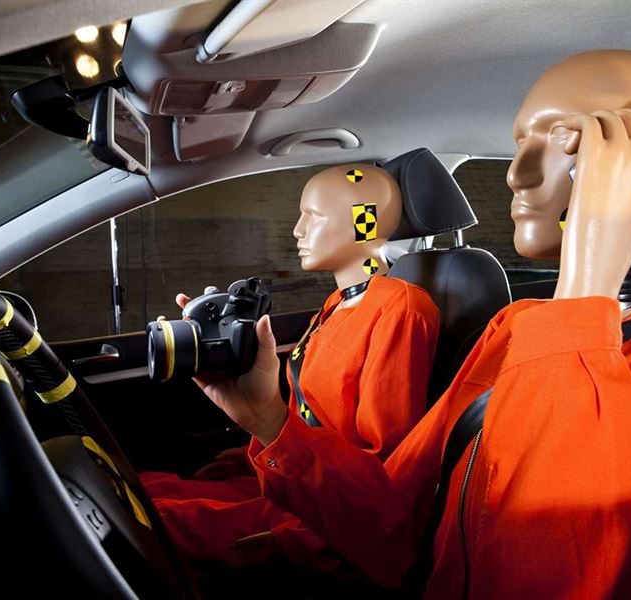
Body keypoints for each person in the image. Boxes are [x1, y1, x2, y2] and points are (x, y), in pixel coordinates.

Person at [193, 49, 631, 598]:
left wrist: (587, 286)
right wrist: (270, 420)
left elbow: (545, 575)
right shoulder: (516, 325)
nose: (515, 174)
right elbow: (396, 517)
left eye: (564, 137)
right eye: (520, 143)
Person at [140, 164, 440, 572]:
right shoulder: (336, 305)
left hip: (331, 512)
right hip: (299, 479)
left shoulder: (398, 309)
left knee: (153, 524)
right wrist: (258, 454)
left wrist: (303, 541)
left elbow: (388, 471)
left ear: (363, 222)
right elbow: (317, 416)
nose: (297, 231)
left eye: (313, 216)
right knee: (144, 488)